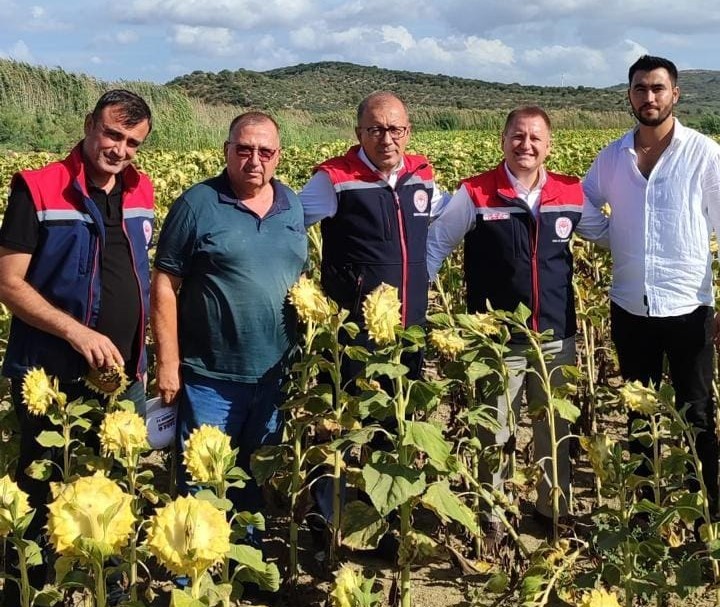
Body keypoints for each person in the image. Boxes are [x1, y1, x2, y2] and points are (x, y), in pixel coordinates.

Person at [0, 89, 153, 603]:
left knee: (110, 492)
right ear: (90, 125)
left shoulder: (141, 191)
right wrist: (77, 331)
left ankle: (99, 584)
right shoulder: (39, 189)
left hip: (123, 373)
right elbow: (8, 283)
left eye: (132, 142)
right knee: (45, 486)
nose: (120, 149)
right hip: (52, 374)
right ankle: (33, 587)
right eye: (112, 134)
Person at [426, 105, 584, 546]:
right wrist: (416, 301)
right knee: (495, 428)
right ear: (503, 140)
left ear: (549, 145)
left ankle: (554, 509)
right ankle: (492, 512)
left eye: (535, 138)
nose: (526, 145)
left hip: (556, 335)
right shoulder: (475, 193)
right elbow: (437, 244)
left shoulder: (570, 194)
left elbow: (606, 233)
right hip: (497, 340)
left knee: (554, 426)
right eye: (517, 136)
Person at [298, 92, 447, 555]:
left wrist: (429, 272)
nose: (388, 138)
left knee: (393, 421)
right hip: (353, 334)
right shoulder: (333, 180)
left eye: (396, 129)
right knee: (341, 422)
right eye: (376, 129)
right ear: (358, 132)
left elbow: (440, 226)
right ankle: (332, 518)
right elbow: (290, 226)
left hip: (409, 327)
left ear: (409, 131)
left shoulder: (423, 175)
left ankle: (384, 518)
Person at [151, 112, 307, 541]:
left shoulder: (290, 204)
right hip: (211, 379)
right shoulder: (196, 204)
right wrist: (168, 362)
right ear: (227, 151)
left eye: (265, 151)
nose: (254, 160)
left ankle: (244, 572)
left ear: (278, 156)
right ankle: (192, 583)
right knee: (201, 488)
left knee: (253, 481)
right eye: (244, 149)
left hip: (275, 378)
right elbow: (165, 283)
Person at [578, 55, 720, 517]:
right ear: (630, 95)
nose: (649, 97)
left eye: (658, 88)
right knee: (638, 413)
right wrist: (611, 236)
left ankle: (706, 513)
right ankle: (644, 510)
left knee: (697, 413)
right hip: (630, 307)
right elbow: (584, 206)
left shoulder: (704, 153)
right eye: (640, 88)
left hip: (688, 306)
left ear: (675, 94)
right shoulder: (612, 157)